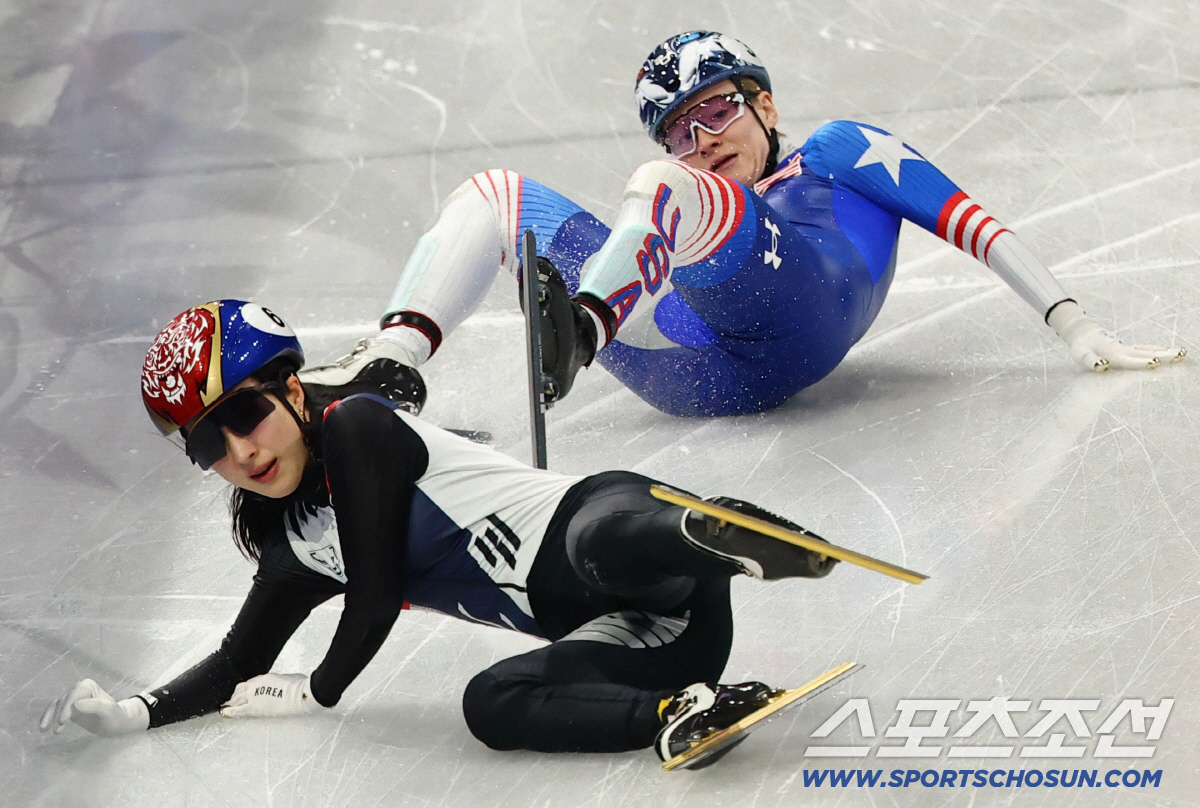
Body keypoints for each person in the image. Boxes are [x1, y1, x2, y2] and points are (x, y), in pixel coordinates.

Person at [40, 299, 841, 768]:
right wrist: (135, 711)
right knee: (491, 703)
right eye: (208, 445)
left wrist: (320, 688)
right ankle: (682, 710)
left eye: (245, 415)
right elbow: (237, 662)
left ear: (293, 390)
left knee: (596, 548)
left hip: (613, 527)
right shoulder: (298, 547)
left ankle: (709, 530)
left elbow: (377, 592)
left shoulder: (357, 427)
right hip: (661, 635)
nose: (240, 452)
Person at [302, 30, 1185, 418]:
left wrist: (1076, 326)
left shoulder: (840, 150)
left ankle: (582, 327)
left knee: (665, 190)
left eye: (717, 112)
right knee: (496, 191)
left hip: (796, 322)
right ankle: (391, 365)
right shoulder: (693, 187)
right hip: (680, 364)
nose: (703, 140)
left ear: (766, 104)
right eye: (680, 131)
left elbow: (974, 224)